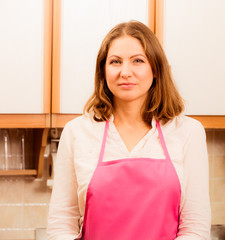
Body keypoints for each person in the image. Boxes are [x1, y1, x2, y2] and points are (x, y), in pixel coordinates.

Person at [47, 20, 211, 240]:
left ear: (155, 68)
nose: (125, 72)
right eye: (115, 61)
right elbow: (61, 223)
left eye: (137, 61)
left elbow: (195, 227)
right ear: (103, 71)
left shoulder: (189, 132)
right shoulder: (76, 133)